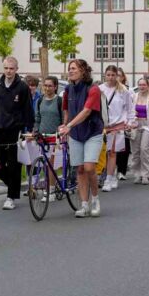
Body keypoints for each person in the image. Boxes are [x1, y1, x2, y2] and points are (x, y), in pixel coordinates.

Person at [0, 56, 33, 210]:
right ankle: (13, 186)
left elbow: (28, 110)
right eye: (6, 68)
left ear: (16, 69)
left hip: (15, 130)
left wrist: (29, 130)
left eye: (11, 68)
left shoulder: (22, 87)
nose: (8, 71)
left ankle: (10, 196)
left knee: (14, 165)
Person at [58, 59, 103, 218]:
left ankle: (95, 199)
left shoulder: (93, 89)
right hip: (75, 134)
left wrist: (69, 125)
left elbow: (86, 111)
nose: (70, 71)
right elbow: (66, 111)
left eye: (74, 69)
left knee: (89, 167)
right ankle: (84, 204)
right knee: (80, 169)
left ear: (83, 71)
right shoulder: (68, 90)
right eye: (69, 68)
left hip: (92, 132)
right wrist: (64, 126)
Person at [99, 66, 133, 192]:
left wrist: (129, 121)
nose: (111, 77)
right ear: (105, 75)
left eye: (113, 75)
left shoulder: (123, 90)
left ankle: (108, 179)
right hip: (103, 125)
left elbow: (130, 108)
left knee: (112, 152)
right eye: (108, 75)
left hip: (117, 124)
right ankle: (111, 175)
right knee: (103, 153)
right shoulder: (100, 89)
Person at [31, 76, 63, 200]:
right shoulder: (40, 101)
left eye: (50, 86)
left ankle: (51, 191)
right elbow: (38, 118)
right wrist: (35, 131)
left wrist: (60, 132)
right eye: (45, 85)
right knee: (45, 164)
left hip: (56, 137)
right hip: (43, 137)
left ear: (55, 87)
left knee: (51, 164)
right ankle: (50, 187)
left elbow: (64, 119)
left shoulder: (59, 101)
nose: (47, 88)